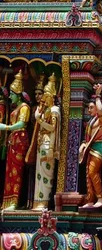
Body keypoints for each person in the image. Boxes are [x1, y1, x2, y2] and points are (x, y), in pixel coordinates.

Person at [0, 70, 30, 210]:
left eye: (12, 94)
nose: (10, 96)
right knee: (9, 172)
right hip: (13, 141)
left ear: (18, 95)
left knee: (16, 172)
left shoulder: (24, 107)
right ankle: (8, 201)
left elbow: (22, 124)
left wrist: (6, 127)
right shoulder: (16, 107)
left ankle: (14, 201)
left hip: (20, 140)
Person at [32, 73, 61, 210]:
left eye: (46, 96)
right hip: (41, 142)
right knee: (39, 173)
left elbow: (53, 128)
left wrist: (40, 120)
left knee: (46, 173)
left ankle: (43, 202)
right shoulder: (45, 110)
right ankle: (37, 201)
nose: (43, 98)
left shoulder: (54, 110)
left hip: (48, 143)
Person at [79, 83, 102, 209]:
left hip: (98, 148)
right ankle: (90, 199)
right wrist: (83, 145)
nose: (89, 110)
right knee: (88, 174)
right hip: (90, 148)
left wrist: (98, 96)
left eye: (91, 107)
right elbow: (87, 139)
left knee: (92, 172)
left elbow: (101, 111)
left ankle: (100, 197)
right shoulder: (91, 122)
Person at [25, 74, 46, 208]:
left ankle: (38, 201)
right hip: (32, 140)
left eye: (40, 93)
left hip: (43, 141)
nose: (38, 96)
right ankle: (28, 201)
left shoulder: (47, 110)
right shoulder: (32, 108)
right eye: (36, 93)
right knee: (31, 171)